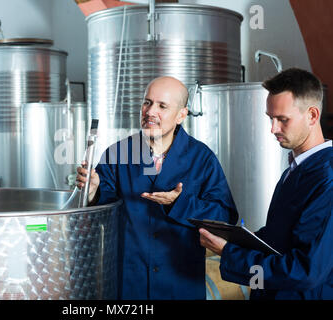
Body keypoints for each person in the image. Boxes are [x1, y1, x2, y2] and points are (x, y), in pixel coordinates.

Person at [76, 76, 238, 299]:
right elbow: (102, 214)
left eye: (162, 106)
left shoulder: (202, 159)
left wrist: (180, 204)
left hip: (180, 283)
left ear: (181, 115)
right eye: (147, 102)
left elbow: (224, 218)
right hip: (129, 284)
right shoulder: (117, 154)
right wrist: (92, 192)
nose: (150, 111)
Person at [199, 68, 333, 300]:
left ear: (312, 115)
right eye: (270, 118)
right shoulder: (295, 169)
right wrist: (238, 238)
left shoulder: (327, 178)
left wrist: (229, 253)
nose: (273, 129)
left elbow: (305, 272)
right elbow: (279, 238)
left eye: (282, 119)